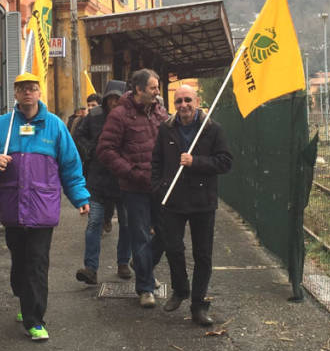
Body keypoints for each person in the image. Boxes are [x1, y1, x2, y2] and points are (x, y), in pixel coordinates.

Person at [0, 72, 90, 341]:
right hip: (12, 208)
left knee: (37, 262)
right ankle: (24, 297)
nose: (28, 93)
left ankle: (35, 319)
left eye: (32, 88)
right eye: (22, 89)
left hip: (42, 208)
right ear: (15, 94)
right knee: (19, 261)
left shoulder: (55, 126)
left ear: (40, 93)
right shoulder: (2, 125)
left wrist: (81, 198)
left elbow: (70, 166)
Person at [151, 84, 233, 326]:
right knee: (173, 248)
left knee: (203, 255)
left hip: (202, 201)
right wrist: (158, 187)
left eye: (187, 100)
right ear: (173, 105)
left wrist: (195, 161)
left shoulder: (212, 129)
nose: (183, 105)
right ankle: (180, 289)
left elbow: (225, 162)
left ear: (197, 102)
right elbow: (156, 160)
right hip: (173, 199)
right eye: (178, 102)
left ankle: (198, 305)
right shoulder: (166, 130)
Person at [97, 68, 167, 308]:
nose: (157, 92)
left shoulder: (160, 113)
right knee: (140, 237)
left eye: (157, 88)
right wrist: (130, 172)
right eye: (153, 88)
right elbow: (105, 150)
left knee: (167, 233)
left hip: (159, 185)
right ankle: (145, 288)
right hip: (134, 188)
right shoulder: (119, 115)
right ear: (138, 89)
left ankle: (142, 264)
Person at [73, 80, 131, 285]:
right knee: (94, 222)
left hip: (124, 181)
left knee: (127, 224)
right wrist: (90, 151)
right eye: (111, 98)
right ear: (106, 98)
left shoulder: (131, 116)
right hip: (97, 181)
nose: (115, 102)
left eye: (118, 97)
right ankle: (91, 269)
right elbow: (77, 136)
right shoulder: (95, 116)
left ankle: (123, 262)